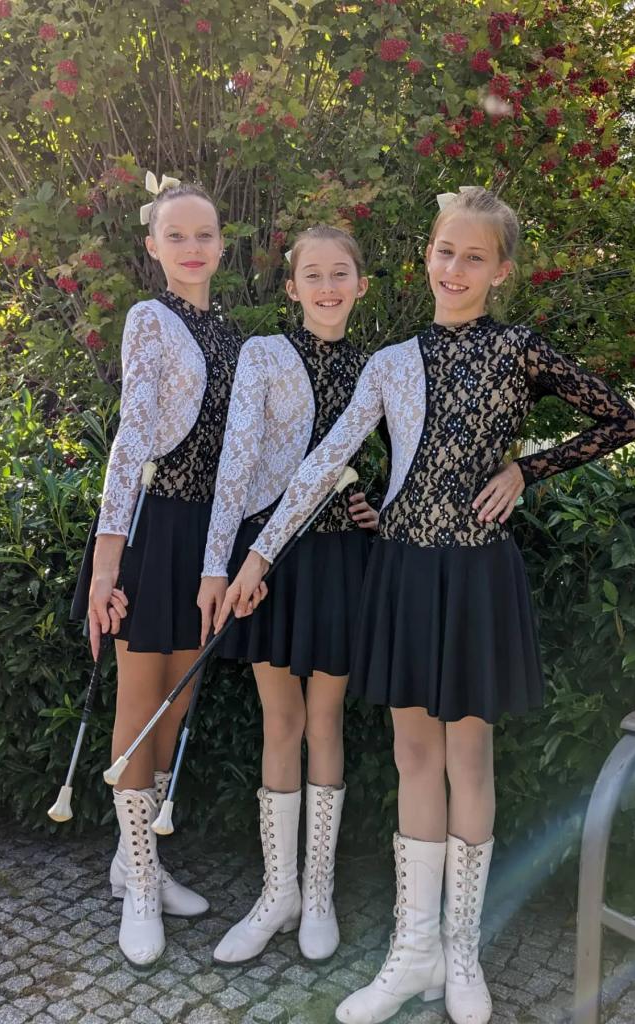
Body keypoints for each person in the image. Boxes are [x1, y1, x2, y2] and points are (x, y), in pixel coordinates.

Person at [219, 187, 635, 1023]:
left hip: (477, 574)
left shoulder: (519, 350)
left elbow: (619, 419)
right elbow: (323, 463)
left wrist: (526, 469)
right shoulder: (392, 362)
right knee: (413, 756)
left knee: (468, 760)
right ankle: (413, 953)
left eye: (473, 257)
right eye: (444, 252)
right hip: (404, 572)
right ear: (426, 258)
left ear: (500, 271)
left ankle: (460, 951)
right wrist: (257, 556)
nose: (455, 268)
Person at [71, 177, 241, 968]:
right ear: (152, 247)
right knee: (140, 703)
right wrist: (106, 569)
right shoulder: (151, 318)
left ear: (221, 244)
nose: (192, 248)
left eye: (204, 234)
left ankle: (130, 859)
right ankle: (140, 884)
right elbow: (130, 439)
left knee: (177, 700)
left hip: (207, 536)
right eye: (176, 236)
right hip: (150, 529)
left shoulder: (232, 335)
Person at [198, 225, 379, 965]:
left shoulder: (376, 367)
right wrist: (218, 566)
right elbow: (237, 461)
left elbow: (396, 462)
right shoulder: (264, 355)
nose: (327, 287)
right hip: (264, 562)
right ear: (292, 286)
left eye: (340, 274)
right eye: (313, 275)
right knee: (281, 721)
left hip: (337, 560)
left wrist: (376, 504)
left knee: (325, 721)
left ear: (361, 284)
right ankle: (279, 893)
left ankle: (320, 892)